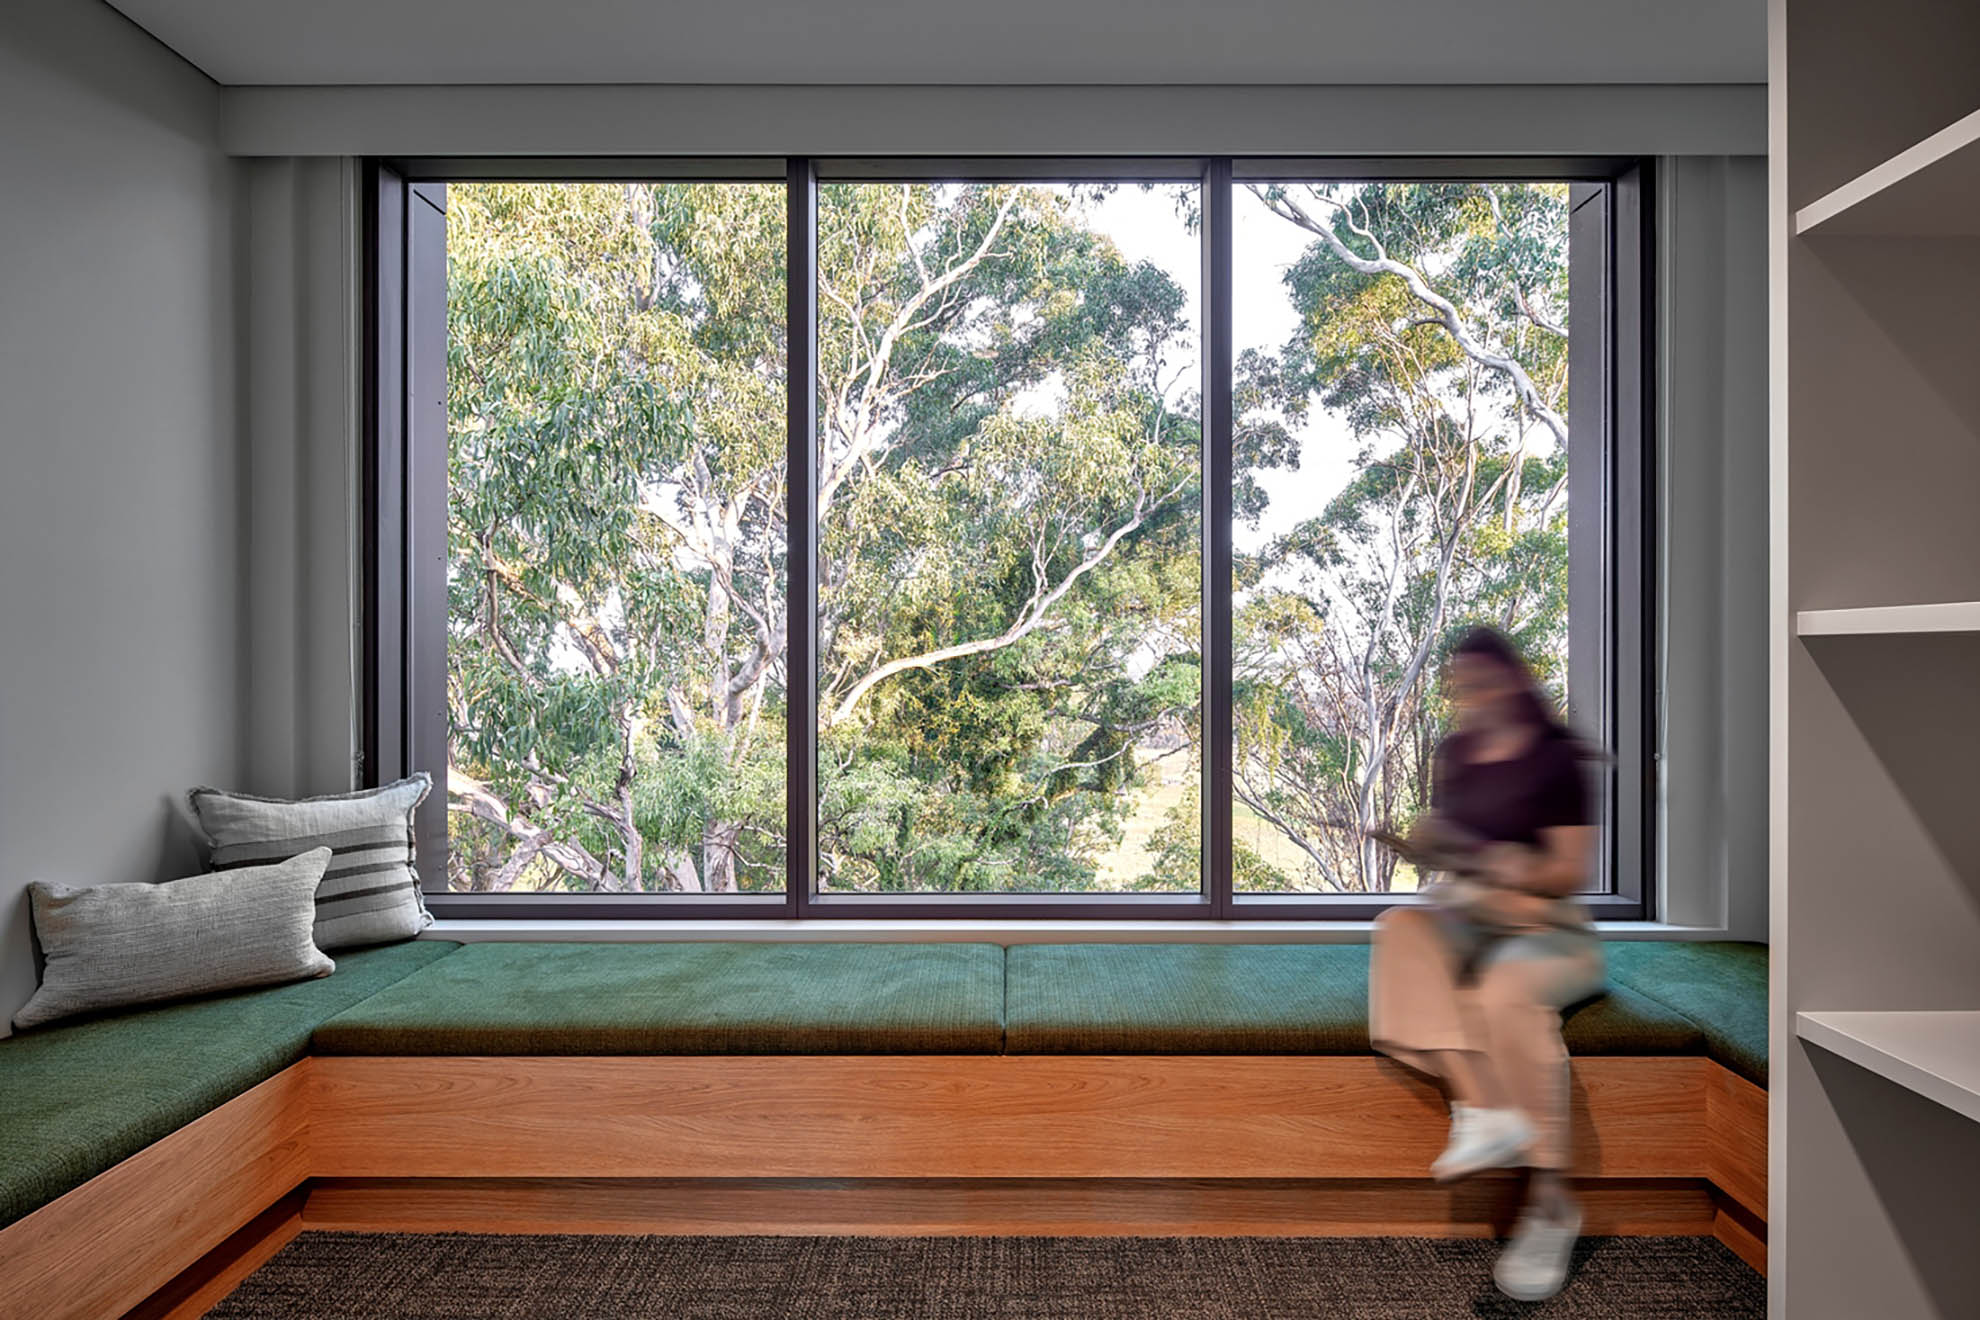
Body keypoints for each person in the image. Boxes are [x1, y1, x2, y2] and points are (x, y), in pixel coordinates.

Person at [1368, 625, 1602, 1302]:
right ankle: (1485, 1107)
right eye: (1460, 686)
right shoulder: (1458, 750)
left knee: (1501, 996)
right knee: (1402, 928)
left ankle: (1552, 1203)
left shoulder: (1558, 758)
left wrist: (1497, 861)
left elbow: (1567, 873)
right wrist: (1424, 845)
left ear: (1513, 677)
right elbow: (1450, 843)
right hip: (1469, 911)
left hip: (1545, 924)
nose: (1469, 696)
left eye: (1481, 681)